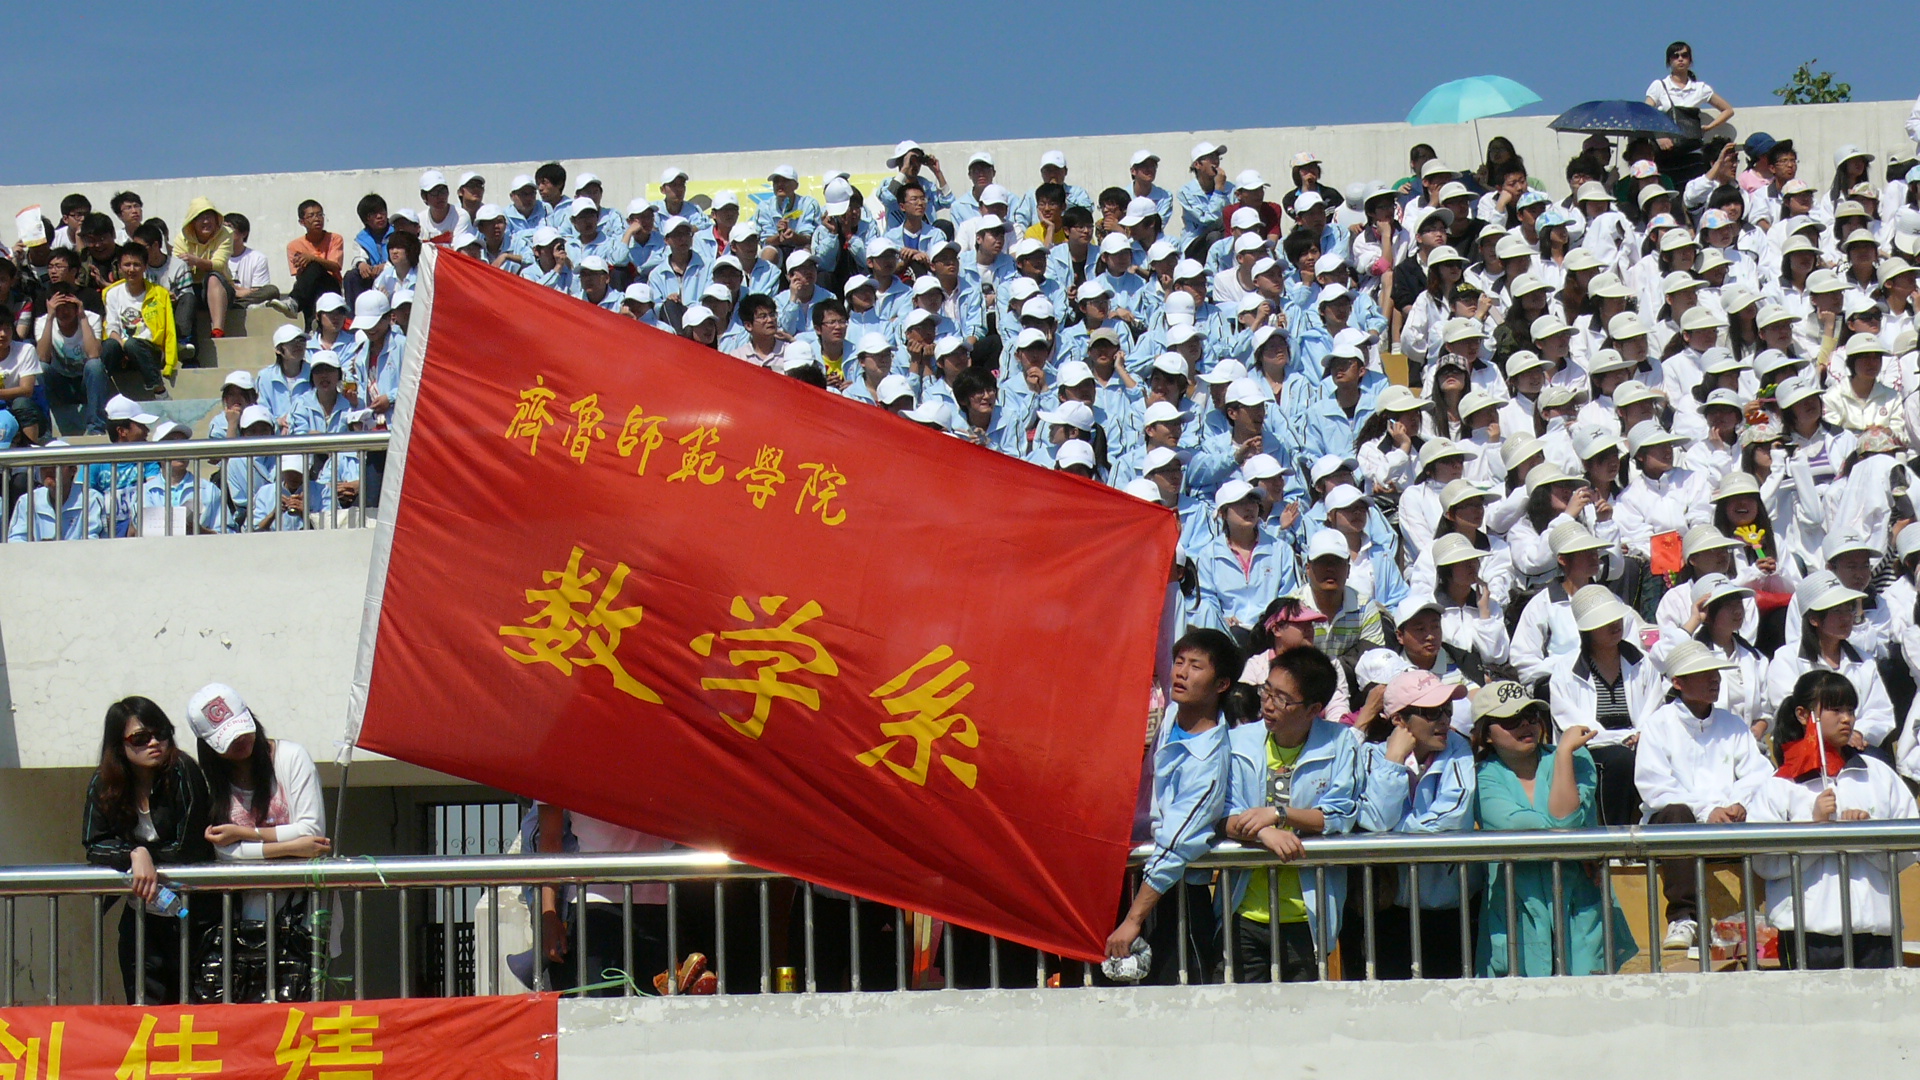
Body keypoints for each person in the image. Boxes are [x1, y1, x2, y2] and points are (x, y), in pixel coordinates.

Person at [1752, 670, 1918, 970]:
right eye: (1836, 710)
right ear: (1803, 715)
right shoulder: (1780, 784)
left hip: (1875, 929)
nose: (1847, 719)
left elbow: (1909, 848)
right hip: (1808, 931)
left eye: (1851, 710)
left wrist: (1866, 835)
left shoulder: (1878, 774)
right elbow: (1763, 861)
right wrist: (1814, 825)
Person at [1471, 681, 1636, 976]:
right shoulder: (1481, 776)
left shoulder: (1575, 757)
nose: (1525, 724)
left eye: (1531, 715)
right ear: (1486, 734)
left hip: (1579, 906)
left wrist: (1562, 754)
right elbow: (1530, 829)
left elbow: (1565, 825)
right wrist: (1565, 838)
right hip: (1516, 912)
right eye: (1511, 720)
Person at [1108, 629, 1241, 984]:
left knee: (1176, 997)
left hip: (1175, 899)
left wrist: (1133, 920)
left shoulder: (1209, 759)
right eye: (1179, 662)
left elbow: (1176, 844)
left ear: (1222, 684)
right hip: (1136, 882)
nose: (1181, 673)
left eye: (1196, 666)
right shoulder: (1169, 718)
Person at [1221, 645, 1359, 983]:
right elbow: (1224, 811)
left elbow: (1340, 816)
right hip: (1243, 911)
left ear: (1313, 709)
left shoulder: (1341, 742)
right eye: (1266, 691)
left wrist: (1280, 815)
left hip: (1306, 916)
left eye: (1282, 699)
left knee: (1302, 1010)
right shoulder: (1238, 741)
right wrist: (1263, 832)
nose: (1268, 704)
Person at [187, 683, 331, 1001]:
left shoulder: (291, 757)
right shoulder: (210, 783)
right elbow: (224, 853)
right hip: (240, 923)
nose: (240, 741)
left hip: (303, 917)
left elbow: (312, 831)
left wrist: (244, 834)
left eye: (243, 728)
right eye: (227, 739)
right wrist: (290, 848)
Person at [1634, 640, 1774, 950]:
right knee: (1676, 813)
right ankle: (1684, 917)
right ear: (1678, 683)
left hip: (1727, 820)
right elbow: (1655, 787)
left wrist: (1738, 802)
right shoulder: (1658, 725)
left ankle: (1769, 911)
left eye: (1715, 672)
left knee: (1772, 805)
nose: (1714, 679)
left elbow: (1759, 772)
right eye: (1702, 674)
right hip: (1677, 823)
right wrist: (1707, 810)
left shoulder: (1732, 724)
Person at [82, 696, 214, 1005]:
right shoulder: (105, 782)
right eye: (141, 738)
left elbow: (190, 847)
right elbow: (94, 843)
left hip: (195, 916)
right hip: (141, 917)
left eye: (162, 733)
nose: (155, 743)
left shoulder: (183, 771)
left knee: (199, 1010)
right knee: (145, 1009)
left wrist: (145, 856)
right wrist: (134, 853)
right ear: (120, 745)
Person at [1355, 670, 1477, 979]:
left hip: (1451, 905)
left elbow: (1452, 816)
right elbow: (1376, 820)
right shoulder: (1370, 756)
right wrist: (1394, 761)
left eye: (1447, 710)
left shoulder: (1459, 748)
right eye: (1432, 712)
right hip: (1390, 908)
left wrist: (1392, 834)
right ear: (1399, 720)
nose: (1444, 720)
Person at [1549, 585, 1665, 826]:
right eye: (1604, 622)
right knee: (1620, 760)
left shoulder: (1643, 663)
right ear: (1587, 630)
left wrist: (1642, 735)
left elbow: (1654, 707)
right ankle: (1614, 833)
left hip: (1640, 743)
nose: (1614, 625)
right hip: (1593, 749)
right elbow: (1574, 725)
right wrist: (1623, 739)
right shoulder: (1565, 670)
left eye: (1616, 618)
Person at [101, 241, 176, 393]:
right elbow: (111, 326)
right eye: (127, 265)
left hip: (149, 349)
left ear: (145, 267)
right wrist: (122, 345)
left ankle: (158, 388)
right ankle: (101, 389)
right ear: (120, 267)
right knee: (109, 345)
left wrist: (169, 363)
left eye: (136, 265)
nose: (131, 269)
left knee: (133, 344)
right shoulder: (112, 293)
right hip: (122, 349)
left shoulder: (160, 294)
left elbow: (169, 330)